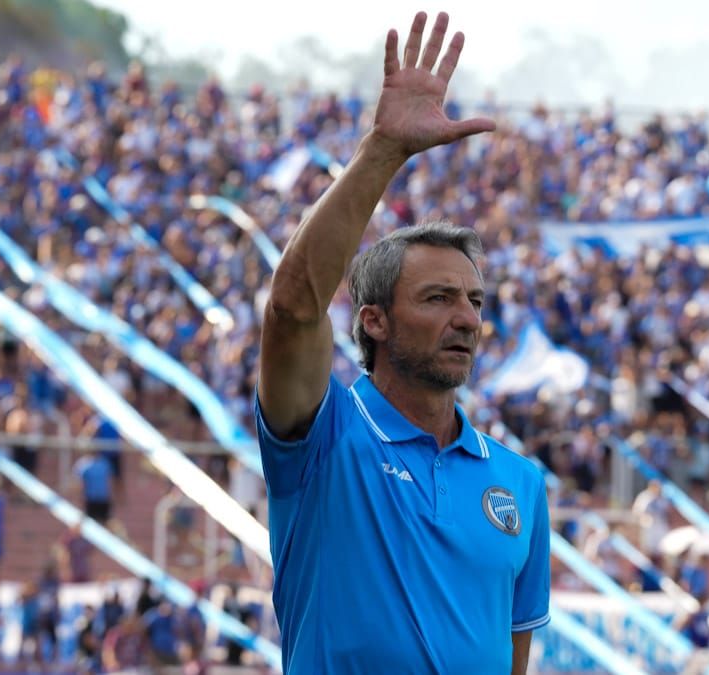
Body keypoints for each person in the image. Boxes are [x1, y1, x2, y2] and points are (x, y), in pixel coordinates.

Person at [255, 11, 549, 674]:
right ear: (373, 322)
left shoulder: (522, 483)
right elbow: (293, 307)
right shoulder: (321, 438)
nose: (468, 319)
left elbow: (512, 664)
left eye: (474, 301)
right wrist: (383, 151)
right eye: (438, 298)